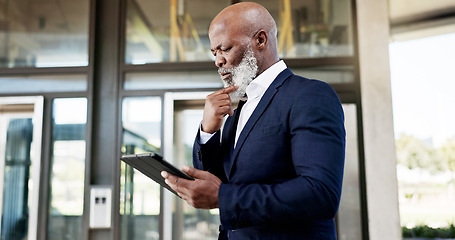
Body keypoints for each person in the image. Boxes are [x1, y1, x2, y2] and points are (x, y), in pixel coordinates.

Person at [161, 2, 346, 239]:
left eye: (225, 48)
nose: (218, 61)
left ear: (260, 40)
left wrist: (223, 198)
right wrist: (208, 130)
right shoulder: (238, 111)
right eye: (214, 53)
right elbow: (217, 182)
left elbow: (320, 194)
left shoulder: (309, 95)